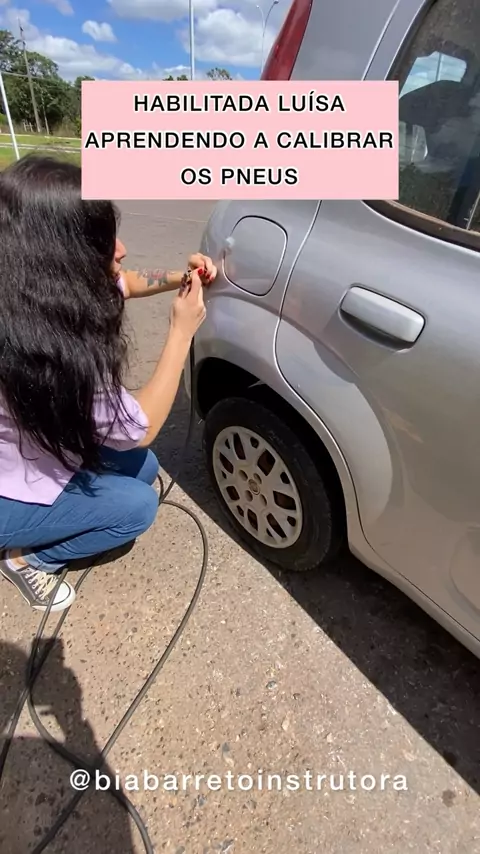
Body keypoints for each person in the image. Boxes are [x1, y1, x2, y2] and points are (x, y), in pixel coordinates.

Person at [0, 155, 217, 613]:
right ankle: (27, 558)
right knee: (137, 507)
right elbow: (142, 426)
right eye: (102, 240)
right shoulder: (54, 350)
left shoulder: (29, 290)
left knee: (143, 467)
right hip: (7, 494)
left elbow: (128, 282)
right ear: (61, 253)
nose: (121, 249)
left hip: (28, 453)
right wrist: (181, 333)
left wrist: (182, 278)